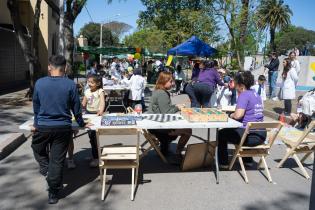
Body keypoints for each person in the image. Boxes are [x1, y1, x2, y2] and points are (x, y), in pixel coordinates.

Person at [31, 55, 89, 204]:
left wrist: (37, 123)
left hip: (43, 127)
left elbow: (36, 106)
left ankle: (46, 170)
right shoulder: (70, 84)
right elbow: (76, 108)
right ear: (65, 68)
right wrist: (81, 123)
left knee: (37, 148)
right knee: (57, 161)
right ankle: (53, 192)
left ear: (50, 67)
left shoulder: (39, 83)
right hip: (62, 128)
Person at [218, 71, 266, 168]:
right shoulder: (256, 94)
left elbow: (238, 115)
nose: (235, 87)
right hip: (261, 134)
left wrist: (230, 115)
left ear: (241, 86)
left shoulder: (244, 95)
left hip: (250, 137)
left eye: (236, 85)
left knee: (221, 134)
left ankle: (223, 163)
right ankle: (247, 160)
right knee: (244, 129)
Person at [147, 72, 192, 158]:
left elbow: (164, 109)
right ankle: (178, 153)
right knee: (188, 131)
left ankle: (165, 147)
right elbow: (166, 112)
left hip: (153, 124)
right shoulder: (162, 93)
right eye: (171, 81)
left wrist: (175, 106)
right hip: (158, 128)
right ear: (164, 81)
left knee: (182, 126)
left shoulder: (158, 91)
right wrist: (177, 107)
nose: (173, 83)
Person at [82, 74, 105, 167]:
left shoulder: (100, 91)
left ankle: (96, 158)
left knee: (93, 137)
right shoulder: (87, 91)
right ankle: (95, 155)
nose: (89, 84)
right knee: (91, 137)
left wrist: (101, 110)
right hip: (88, 114)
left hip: (96, 115)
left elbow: (103, 102)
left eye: (92, 82)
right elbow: (84, 103)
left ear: (98, 83)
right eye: (88, 82)